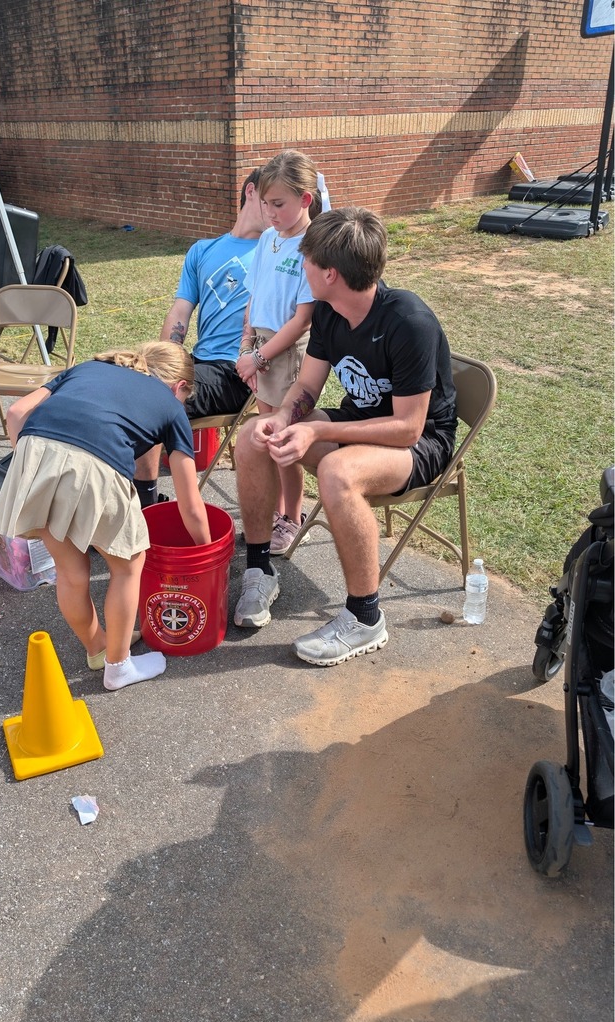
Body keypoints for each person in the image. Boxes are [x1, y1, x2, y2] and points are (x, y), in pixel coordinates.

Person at [232, 207, 457, 667]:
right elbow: (308, 388)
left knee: (337, 470)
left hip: (418, 444)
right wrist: (287, 418)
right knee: (255, 433)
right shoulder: (331, 314)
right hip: (360, 427)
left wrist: (315, 427)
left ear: (329, 273)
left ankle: (365, 617)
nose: (301, 268)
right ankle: (259, 568)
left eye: (306, 261)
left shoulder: (408, 321)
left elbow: (408, 427)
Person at [0, 342, 212, 691]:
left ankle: (98, 648)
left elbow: (16, 412)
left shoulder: (87, 367)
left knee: (71, 571)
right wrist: (206, 557)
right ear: (179, 386)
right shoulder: (171, 405)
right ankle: (119, 667)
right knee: (128, 564)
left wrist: (39, 466)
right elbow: (190, 503)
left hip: (34, 455)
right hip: (97, 463)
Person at [132, 168, 267, 509]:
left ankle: (143, 506)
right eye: (274, 199)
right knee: (127, 382)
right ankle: (110, 497)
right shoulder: (202, 250)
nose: (282, 210)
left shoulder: (277, 254)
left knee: (150, 399)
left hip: (236, 371)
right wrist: (163, 359)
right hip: (197, 363)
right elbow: (179, 313)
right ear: (251, 192)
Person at [234, 149, 319, 554]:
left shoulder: (312, 246)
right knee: (263, 434)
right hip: (262, 347)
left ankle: (293, 517)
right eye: (266, 203)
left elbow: (302, 319)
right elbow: (254, 297)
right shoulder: (268, 238)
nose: (270, 212)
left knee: (283, 440)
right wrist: (246, 347)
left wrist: (261, 356)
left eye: (279, 204)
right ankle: (270, 511)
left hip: (287, 350)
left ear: (306, 199)